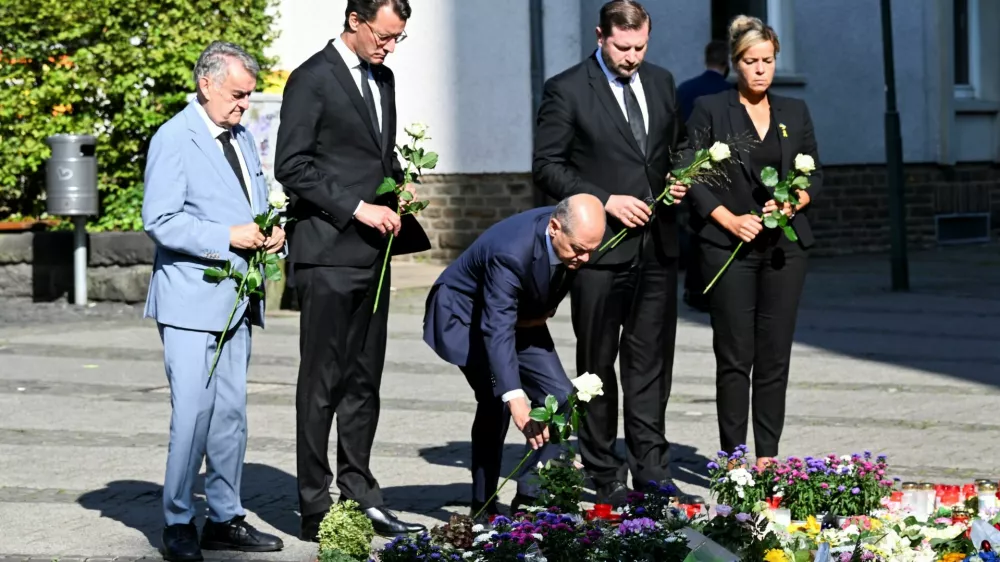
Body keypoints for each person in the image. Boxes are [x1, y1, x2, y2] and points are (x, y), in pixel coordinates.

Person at [274, 0, 429, 541]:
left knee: (364, 380)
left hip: (374, 254)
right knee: (323, 380)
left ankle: (361, 495)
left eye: (398, 38)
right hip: (326, 252)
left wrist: (400, 182)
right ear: (355, 22)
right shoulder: (311, 78)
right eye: (384, 36)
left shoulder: (383, 79)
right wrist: (358, 207)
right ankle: (315, 505)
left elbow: (376, 156)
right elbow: (292, 165)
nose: (390, 47)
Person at [532, 0, 698, 506]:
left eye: (640, 46)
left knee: (651, 365)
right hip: (598, 252)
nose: (632, 57)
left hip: (657, 245)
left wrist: (681, 175)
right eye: (623, 47)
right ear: (600, 36)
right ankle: (604, 470)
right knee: (596, 367)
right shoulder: (567, 89)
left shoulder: (662, 82)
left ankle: (652, 469)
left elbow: (679, 144)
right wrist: (603, 200)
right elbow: (547, 166)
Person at [142, 41, 285, 561]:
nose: (245, 104)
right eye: (237, 94)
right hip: (189, 300)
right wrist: (227, 236)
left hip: (236, 300)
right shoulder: (173, 137)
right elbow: (159, 220)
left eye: (249, 95)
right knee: (193, 415)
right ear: (206, 84)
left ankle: (224, 517)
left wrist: (273, 230)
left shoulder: (241, 136)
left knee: (230, 416)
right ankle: (178, 520)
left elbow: (254, 202)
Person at [684, 15, 822, 469]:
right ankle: (734, 461)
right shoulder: (709, 108)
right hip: (729, 249)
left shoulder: (794, 112)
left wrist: (794, 202)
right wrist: (728, 219)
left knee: (774, 356)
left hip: (785, 250)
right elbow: (689, 172)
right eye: (750, 61)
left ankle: (767, 459)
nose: (760, 69)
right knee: (734, 356)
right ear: (734, 62)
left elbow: (814, 173)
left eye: (767, 60)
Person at [423, 195, 607, 522]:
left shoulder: (575, 234)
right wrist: (514, 395)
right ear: (554, 227)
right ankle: (482, 505)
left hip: (518, 315)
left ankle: (530, 498)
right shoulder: (510, 251)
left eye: (592, 250)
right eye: (579, 249)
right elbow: (497, 330)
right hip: (467, 317)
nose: (585, 258)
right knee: (497, 403)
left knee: (560, 396)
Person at [677, 40, 733, 312]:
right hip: (722, 173)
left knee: (694, 228)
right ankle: (713, 288)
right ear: (727, 63)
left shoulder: (685, 90)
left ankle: (693, 287)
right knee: (715, 232)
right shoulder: (729, 92)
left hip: (690, 169)